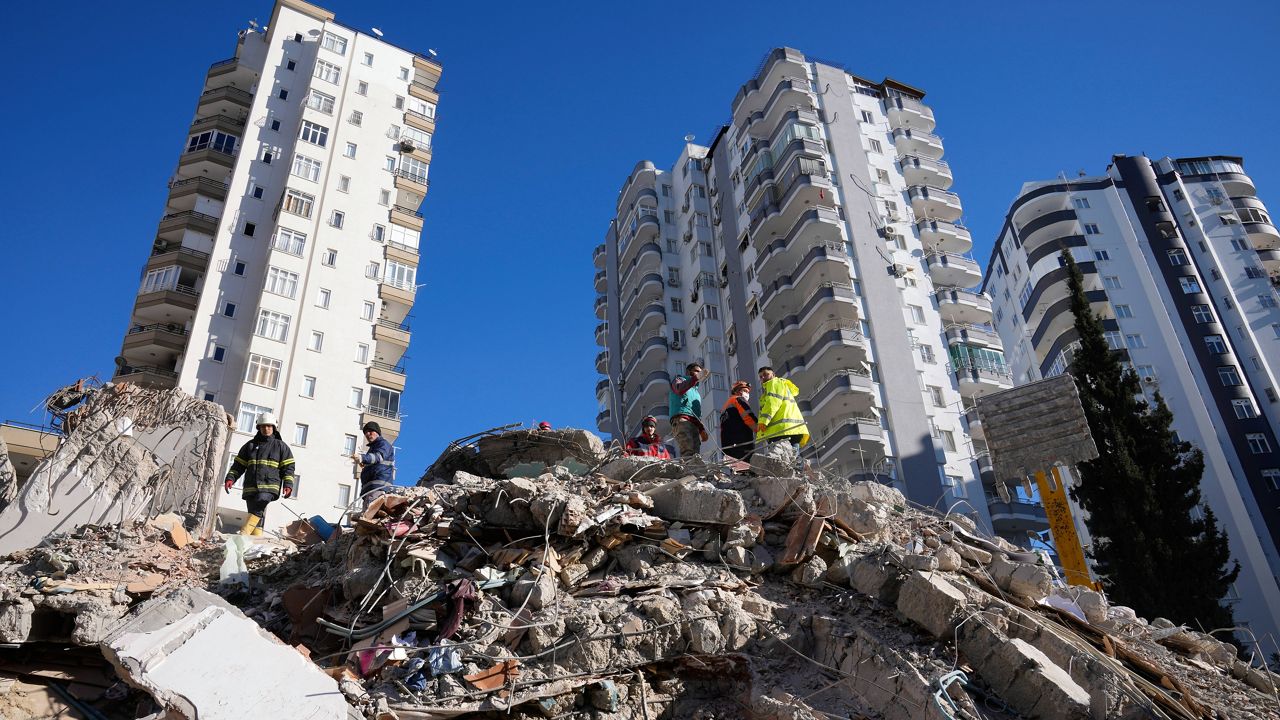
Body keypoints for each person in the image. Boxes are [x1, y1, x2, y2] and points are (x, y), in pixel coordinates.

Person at [224, 412, 295, 535]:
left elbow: (288, 468)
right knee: (255, 513)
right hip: (251, 487)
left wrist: (288, 485)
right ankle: (255, 541)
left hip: (269, 487)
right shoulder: (249, 446)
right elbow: (238, 465)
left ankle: (243, 534)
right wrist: (231, 478)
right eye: (263, 426)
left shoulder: (281, 447)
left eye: (269, 426)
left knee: (260, 504)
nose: (266, 429)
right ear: (259, 428)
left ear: (273, 427)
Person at [755, 366, 810, 449]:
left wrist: (763, 421)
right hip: (794, 429)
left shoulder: (773, 383)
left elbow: (772, 403)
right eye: (761, 376)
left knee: (779, 458)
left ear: (773, 374)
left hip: (780, 431)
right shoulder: (783, 386)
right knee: (793, 458)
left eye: (766, 374)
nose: (763, 378)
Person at [351, 421, 395, 508]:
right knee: (368, 514)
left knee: (369, 515)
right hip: (372, 489)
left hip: (377, 488)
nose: (368, 434)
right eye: (366, 433)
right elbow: (376, 462)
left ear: (377, 432)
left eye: (370, 431)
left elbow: (379, 457)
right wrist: (365, 464)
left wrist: (362, 458)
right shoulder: (373, 448)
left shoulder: (383, 444)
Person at [668, 362, 707, 458]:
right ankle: (689, 472)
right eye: (696, 371)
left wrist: (701, 429)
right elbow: (680, 389)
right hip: (682, 419)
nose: (699, 373)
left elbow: (697, 413)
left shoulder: (696, 392)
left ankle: (696, 472)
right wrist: (695, 378)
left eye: (700, 372)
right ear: (689, 372)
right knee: (687, 449)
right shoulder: (679, 380)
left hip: (694, 423)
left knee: (696, 454)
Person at [720, 380, 758, 461]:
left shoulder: (725, 406)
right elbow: (748, 417)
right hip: (741, 442)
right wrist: (760, 430)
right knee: (746, 468)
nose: (747, 394)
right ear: (737, 391)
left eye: (748, 392)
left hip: (728, 445)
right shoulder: (738, 399)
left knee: (736, 470)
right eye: (744, 391)